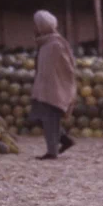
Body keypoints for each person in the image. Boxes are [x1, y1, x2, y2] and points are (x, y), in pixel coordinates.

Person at [28, 10, 77, 160]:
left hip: (54, 89)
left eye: (36, 25)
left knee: (49, 119)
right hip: (43, 88)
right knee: (36, 118)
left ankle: (52, 152)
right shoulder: (44, 43)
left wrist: (65, 85)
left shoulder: (56, 44)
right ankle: (64, 140)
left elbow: (67, 67)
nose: (34, 28)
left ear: (43, 25)